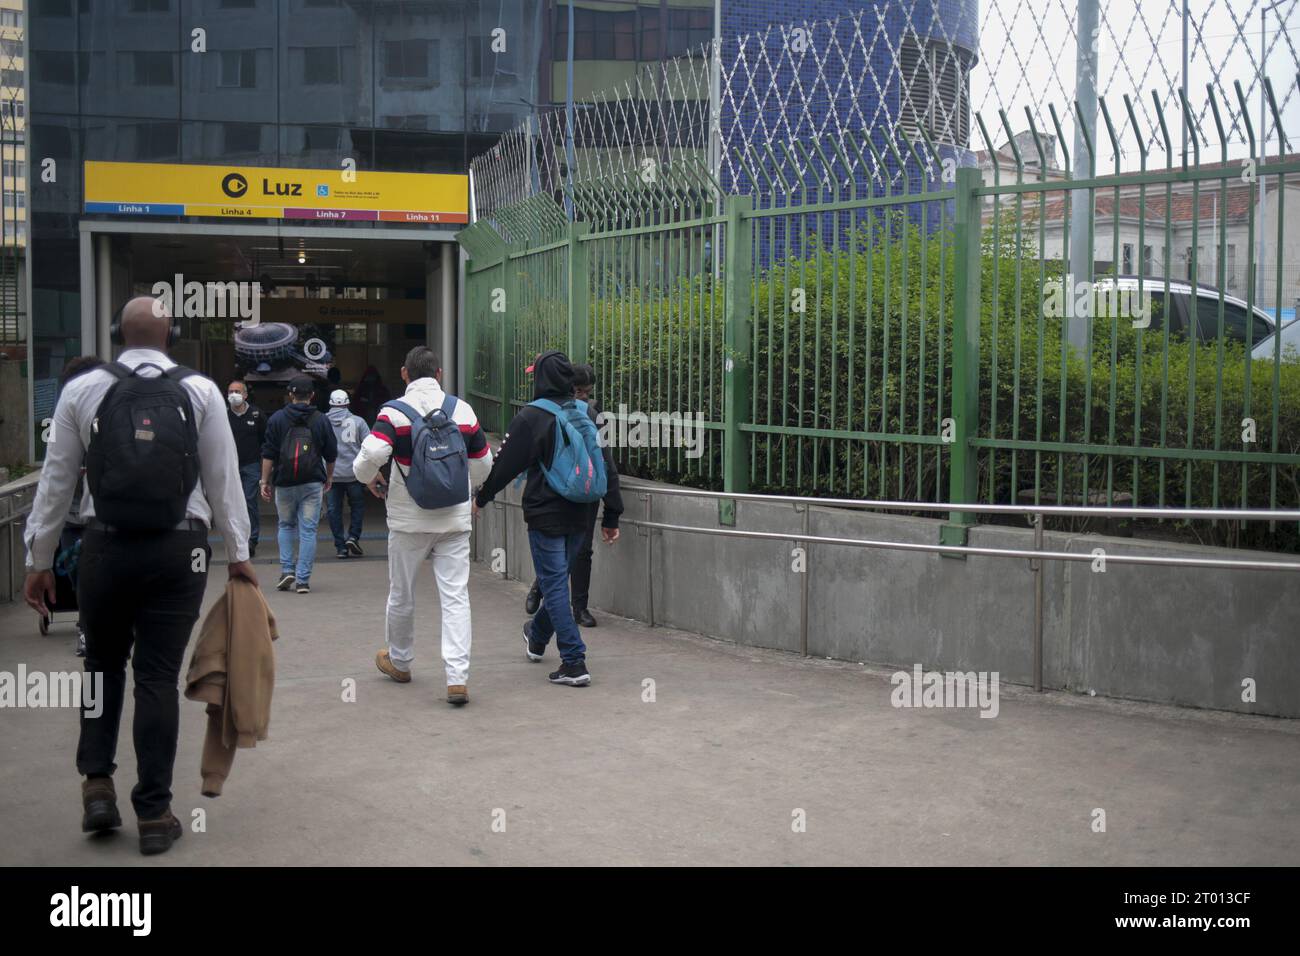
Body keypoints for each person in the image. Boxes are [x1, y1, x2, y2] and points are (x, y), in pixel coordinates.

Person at [22, 295, 256, 857]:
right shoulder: (199, 391)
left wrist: (39, 560)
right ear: (169, 335)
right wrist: (240, 554)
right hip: (182, 551)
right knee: (156, 676)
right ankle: (154, 812)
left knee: (101, 667)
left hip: (104, 546)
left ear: (118, 335)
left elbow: (56, 483)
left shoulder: (83, 389)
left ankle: (97, 785)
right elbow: (223, 478)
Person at [353, 347, 493, 706]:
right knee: (456, 598)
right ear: (440, 373)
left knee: (402, 592)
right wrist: (466, 488)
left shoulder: (393, 412)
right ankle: (457, 679)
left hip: (407, 520)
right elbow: (482, 462)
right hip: (454, 520)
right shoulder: (461, 410)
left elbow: (371, 456)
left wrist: (369, 478)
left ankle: (400, 661)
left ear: (404, 373)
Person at [473, 350, 620, 687]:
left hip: (546, 512)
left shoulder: (532, 417)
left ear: (540, 378)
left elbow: (505, 464)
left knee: (554, 586)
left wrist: (481, 498)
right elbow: (607, 465)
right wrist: (612, 514)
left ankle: (574, 660)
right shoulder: (588, 412)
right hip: (582, 511)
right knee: (556, 582)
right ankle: (536, 635)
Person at [524, 363, 623, 627]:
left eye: (587, 393)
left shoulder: (592, 415)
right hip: (555, 488)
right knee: (555, 547)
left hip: (586, 488)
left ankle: (579, 607)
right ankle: (540, 587)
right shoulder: (547, 411)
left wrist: (612, 511)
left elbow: (606, 463)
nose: (582, 397)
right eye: (578, 391)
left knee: (581, 550)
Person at [260, 375, 337, 594]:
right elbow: (331, 453)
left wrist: (264, 481)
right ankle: (303, 580)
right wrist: (329, 477)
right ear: (312, 395)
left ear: (290, 395)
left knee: (285, 525)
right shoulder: (321, 420)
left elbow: (268, 453)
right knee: (308, 530)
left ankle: (287, 570)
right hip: (312, 482)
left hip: (284, 482)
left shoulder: (276, 419)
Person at [325, 388, 369, 559]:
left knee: (333, 510)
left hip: (331, 474)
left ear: (330, 403)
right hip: (354, 474)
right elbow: (370, 446)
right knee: (357, 507)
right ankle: (353, 537)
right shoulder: (359, 422)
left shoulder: (322, 421)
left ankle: (340, 547)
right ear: (348, 403)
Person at [226, 379, 266, 559]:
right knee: (232, 504)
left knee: (249, 501)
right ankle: (237, 539)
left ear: (245, 395)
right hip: (230, 466)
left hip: (251, 465)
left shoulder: (257, 414)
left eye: (237, 391)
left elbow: (265, 439)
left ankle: (252, 540)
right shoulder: (223, 415)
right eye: (230, 391)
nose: (233, 394)